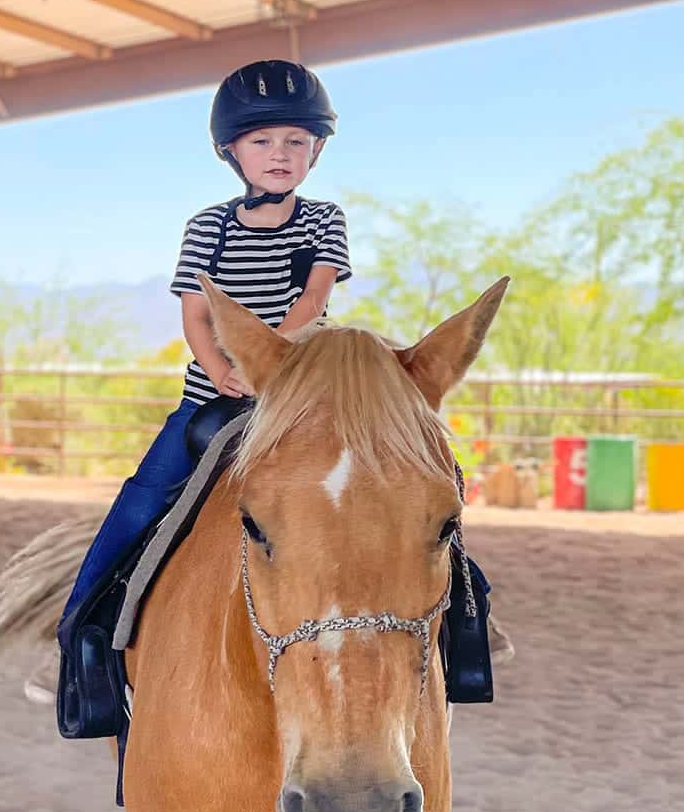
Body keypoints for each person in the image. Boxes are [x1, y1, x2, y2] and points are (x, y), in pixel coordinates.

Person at [35, 58, 512, 713]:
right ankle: (77, 635)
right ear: (232, 152)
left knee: (416, 486)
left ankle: (467, 610)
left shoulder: (323, 220)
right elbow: (196, 312)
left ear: (315, 151)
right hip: (214, 393)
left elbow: (316, 296)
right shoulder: (208, 226)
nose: (278, 154)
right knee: (141, 502)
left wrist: (275, 364)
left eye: (295, 141)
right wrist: (226, 368)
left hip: (302, 392)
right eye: (261, 141)